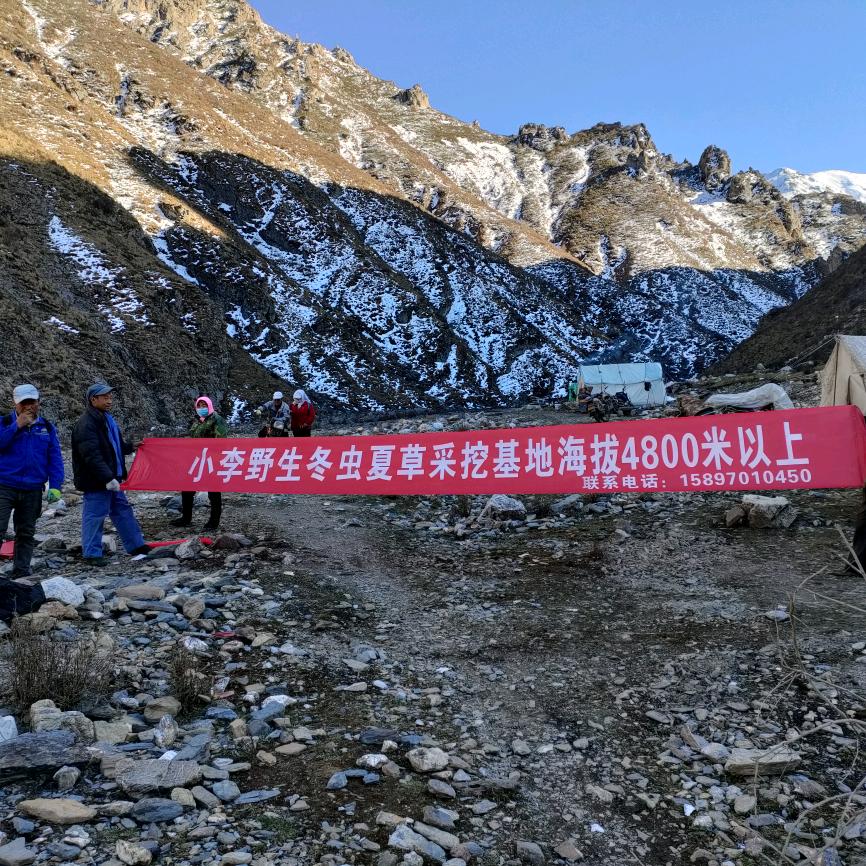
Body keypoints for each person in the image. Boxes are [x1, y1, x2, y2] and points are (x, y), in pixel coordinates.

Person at [71, 383, 149, 565]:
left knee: (122, 510)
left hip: (112, 478)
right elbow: (92, 456)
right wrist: (107, 478)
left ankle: (136, 546)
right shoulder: (86, 424)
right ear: (93, 400)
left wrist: (130, 447)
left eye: (110, 397)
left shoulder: (106, 420)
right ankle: (91, 554)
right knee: (95, 515)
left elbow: (114, 446)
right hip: (98, 481)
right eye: (105, 397)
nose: (109, 401)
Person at [0, 384, 64, 578]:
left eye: (32, 402)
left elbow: (55, 458)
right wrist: (16, 426)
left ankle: (21, 573)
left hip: (33, 488)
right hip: (4, 485)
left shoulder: (46, 427)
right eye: (24, 402)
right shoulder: (4, 422)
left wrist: (55, 486)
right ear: (16, 403)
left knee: (26, 532)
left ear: (38, 402)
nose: (29, 406)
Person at [172, 396, 227, 531]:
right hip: (196, 460)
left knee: (213, 491)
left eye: (204, 405)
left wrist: (213, 455)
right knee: (187, 487)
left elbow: (221, 440)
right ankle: (186, 518)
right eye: (199, 405)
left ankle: (213, 522)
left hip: (211, 460)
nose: (202, 408)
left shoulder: (217, 419)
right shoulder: (198, 421)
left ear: (209, 405)